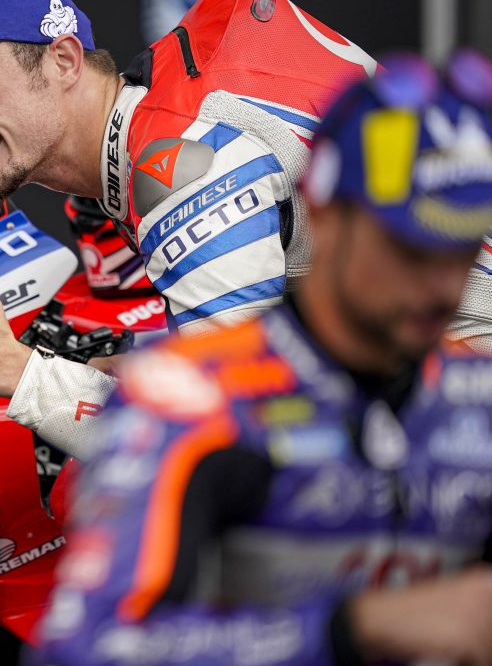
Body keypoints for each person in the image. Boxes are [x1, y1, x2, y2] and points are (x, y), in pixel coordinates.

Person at [29, 52, 492, 665]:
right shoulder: (189, 400)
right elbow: (86, 650)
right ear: (323, 213)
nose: (440, 287)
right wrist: (355, 630)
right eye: (409, 249)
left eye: (459, 250)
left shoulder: (476, 397)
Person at [0, 0, 383, 457]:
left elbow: (234, 433)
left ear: (64, 60)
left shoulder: (180, 165)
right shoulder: (161, 116)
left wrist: (17, 374)